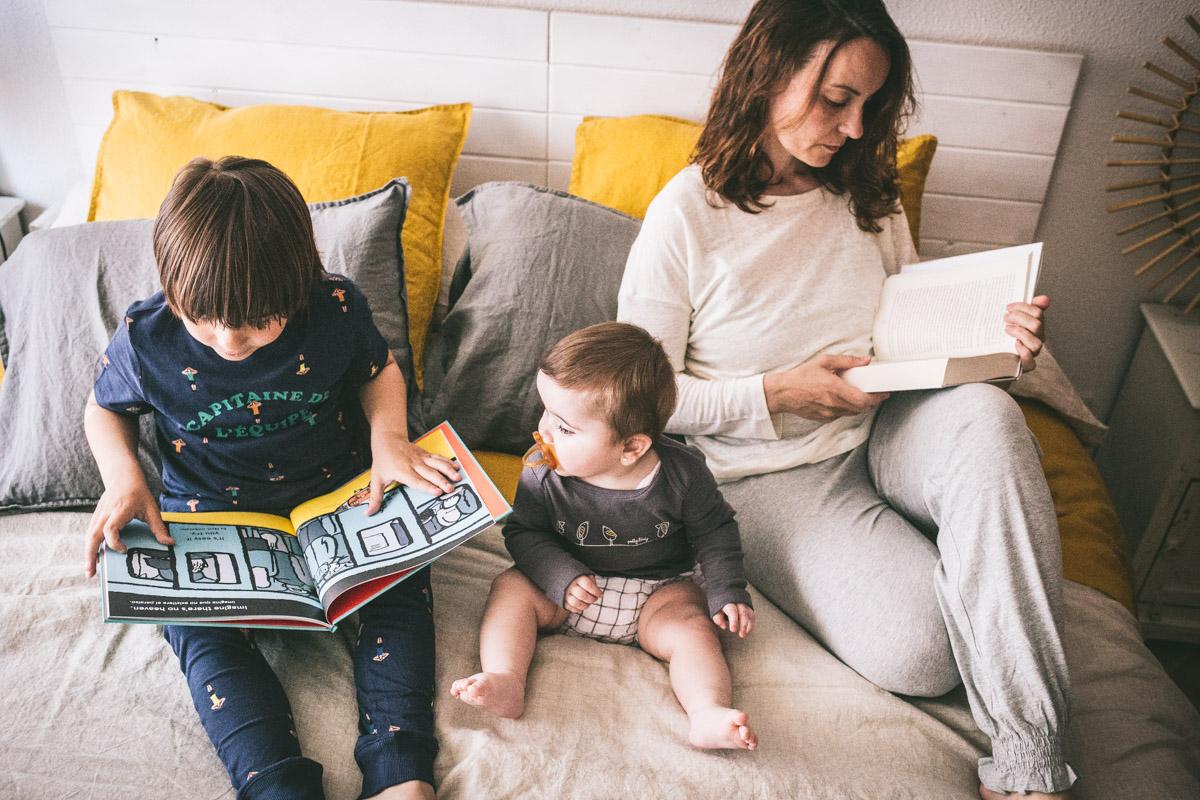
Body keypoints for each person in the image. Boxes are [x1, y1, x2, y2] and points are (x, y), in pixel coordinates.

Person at [617, 1, 1073, 797]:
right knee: (923, 653)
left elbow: (910, 333)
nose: (855, 128)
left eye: (871, 104)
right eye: (837, 99)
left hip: (890, 427)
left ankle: (1032, 763)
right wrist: (776, 393)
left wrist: (995, 342)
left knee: (992, 415)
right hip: (770, 476)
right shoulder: (686, 215)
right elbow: (642, 404)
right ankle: (973, 560)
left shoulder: (869, 196)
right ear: (768, 71)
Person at [82, 156, 460, 800]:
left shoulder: (334, 307)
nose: (231, 340)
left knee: (400, 592)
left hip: (338, 499)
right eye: (205, 320)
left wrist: (390, 441)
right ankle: (274, 782)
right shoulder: (148, 338)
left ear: (299, 280)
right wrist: (124, 479)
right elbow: (103, 408)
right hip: (208, 515)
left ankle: (401, 769)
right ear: (173, 290)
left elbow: (379, 372)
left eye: (259, 321)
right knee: (200, 635)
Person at [450, 322, 759, 751]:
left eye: (565, 429)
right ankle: (506, 678)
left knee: (693, 628)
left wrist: (728, 589)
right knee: (511, 587)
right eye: (546, 413)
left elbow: (716, 530)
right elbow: (523, 532)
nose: (544, 433)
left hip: (658, 593)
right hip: (566, 594)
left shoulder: (683, 475)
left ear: (631, 448)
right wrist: (559, 576)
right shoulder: (541, 471)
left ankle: (707, 711)